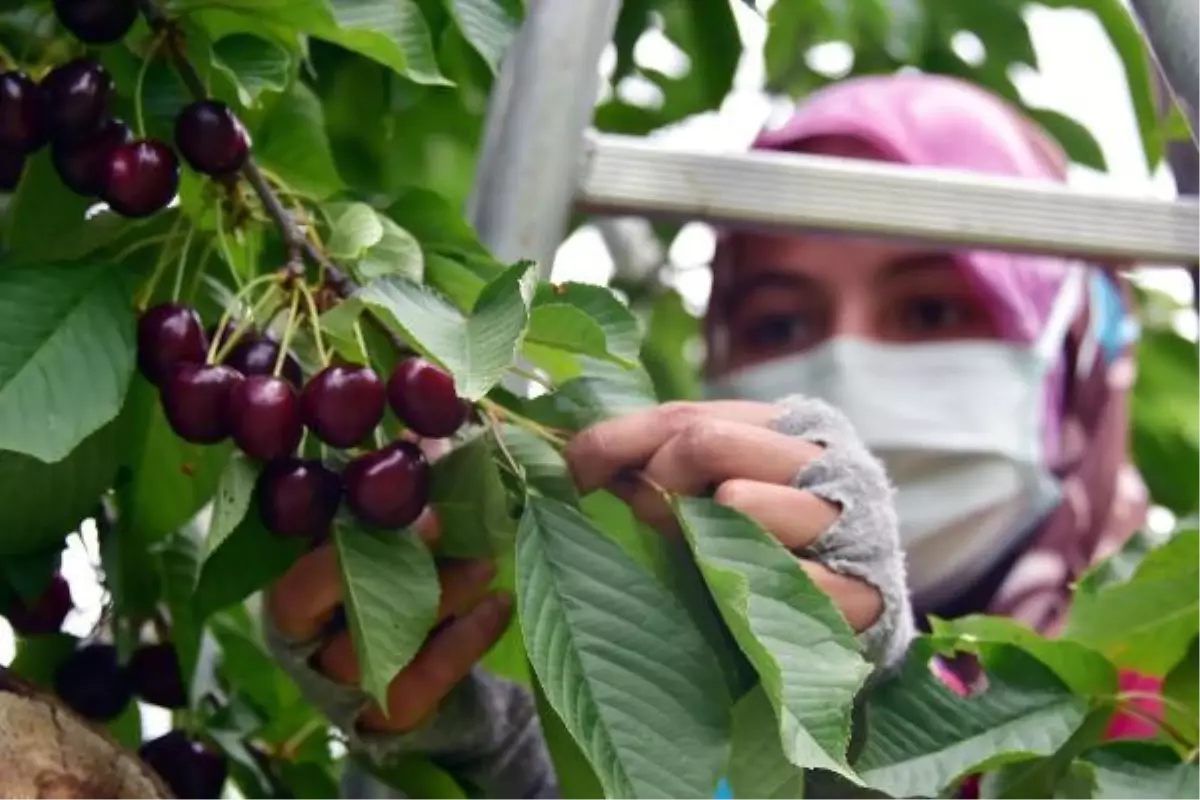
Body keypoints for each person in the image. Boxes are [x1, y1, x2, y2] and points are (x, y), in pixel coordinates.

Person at [263, 73, 1157, 799]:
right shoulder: (668, 668)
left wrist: (859, 722)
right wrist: (490, 771)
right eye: (776, 323)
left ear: (1078, 356)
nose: (845, 356)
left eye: (931, 308)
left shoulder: (1166, 711)